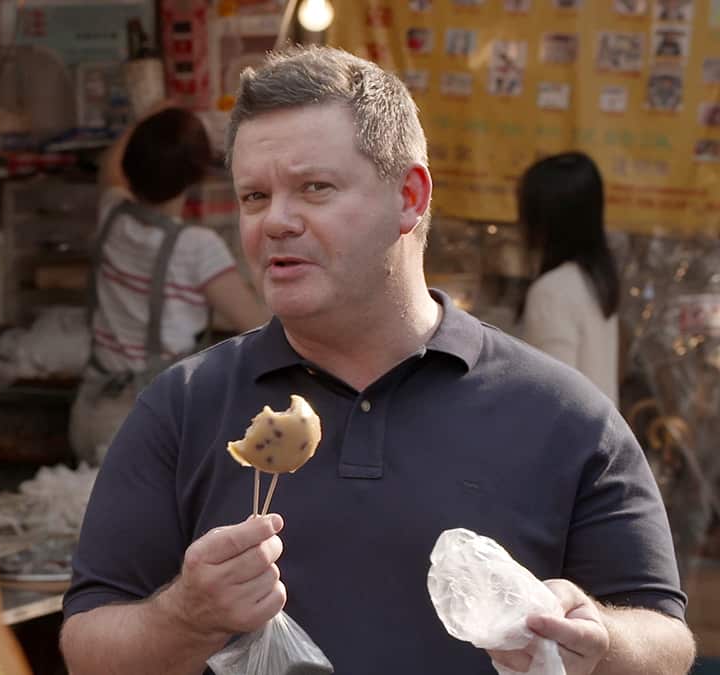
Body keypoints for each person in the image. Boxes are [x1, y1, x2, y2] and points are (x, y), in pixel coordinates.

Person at [60, 46, 694, 674]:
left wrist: (600, 638)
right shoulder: (184, 406)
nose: (276, 221)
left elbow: (667, 642)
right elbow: (87, 645)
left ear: (409, 197)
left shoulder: (563, 413)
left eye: (314, 188)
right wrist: (187, 615)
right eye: (254, 197)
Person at [69, 105, 269, 465]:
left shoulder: (112, 213)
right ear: (194, 177)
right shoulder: (196, 247)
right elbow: (259, 324)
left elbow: (109, 167)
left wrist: (150, 111)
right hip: (147, 422)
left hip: (91, 410)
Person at [517, 152, 621, 403]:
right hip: (600, 436)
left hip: (571, 439)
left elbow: (554, 396)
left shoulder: (552, 291)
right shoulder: (595, 280)